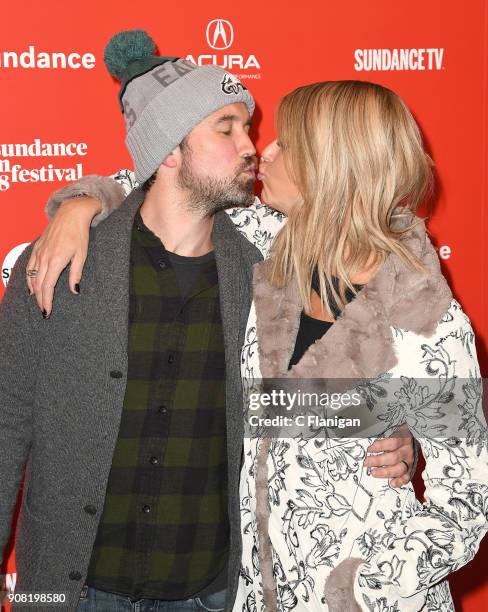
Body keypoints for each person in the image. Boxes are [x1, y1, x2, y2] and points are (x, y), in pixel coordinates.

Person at [26, 79, 487, 612]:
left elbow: (467, 507)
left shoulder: (428, 317)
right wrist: (80, 204)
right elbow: (164, 184)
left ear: (331, 164)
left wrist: (358, 589)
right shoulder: (268, 250)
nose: (264, 150)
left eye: (286, 142)